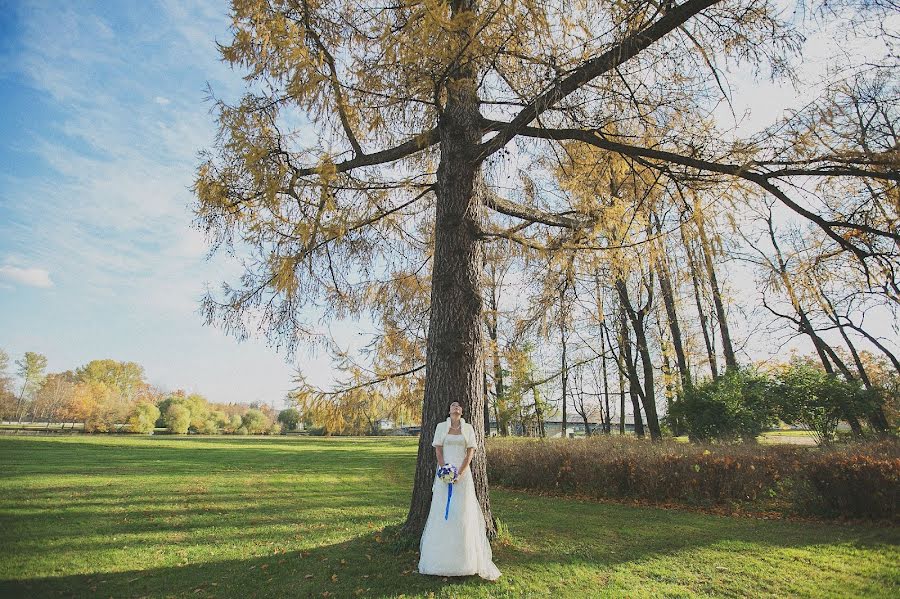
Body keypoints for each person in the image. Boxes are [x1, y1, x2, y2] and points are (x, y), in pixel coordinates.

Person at [417, 401, 502, 581]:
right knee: (443, 513)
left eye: (458, 406)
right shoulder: (441, 427)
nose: (456, 407)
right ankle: (439, 559)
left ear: (462, 411)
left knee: (462, 513)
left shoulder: (468, 428)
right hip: (444, 475)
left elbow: (470, 452)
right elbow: (438, 450)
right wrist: (444, 471)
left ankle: (464, 561)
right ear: (448, 410)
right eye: (453, 405)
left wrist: (460, 473)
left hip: (463, 477)